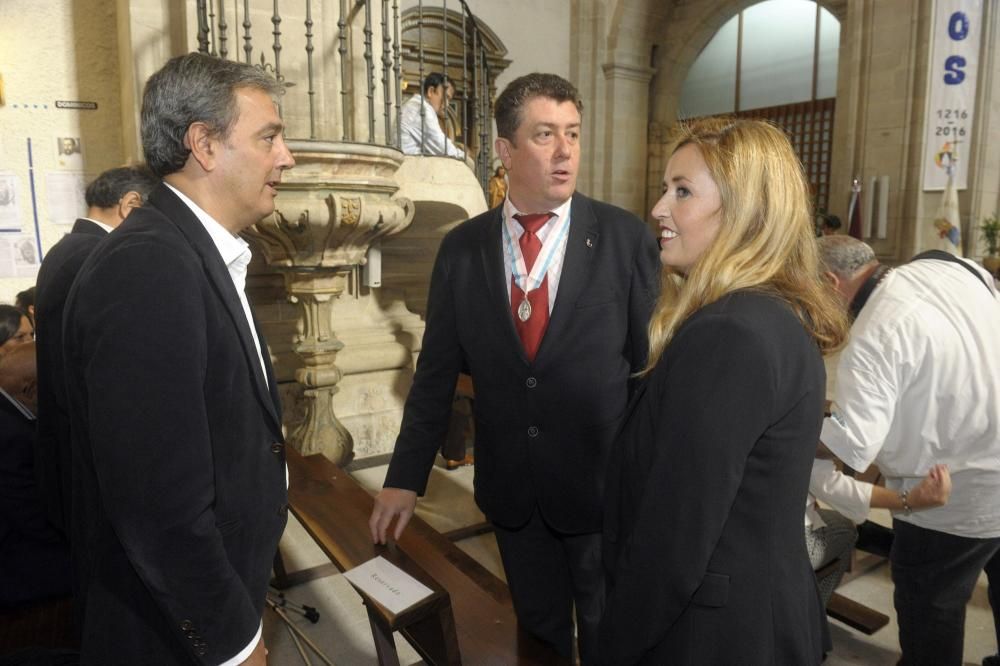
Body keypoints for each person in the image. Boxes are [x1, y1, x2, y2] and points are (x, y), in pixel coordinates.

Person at [369, 72, 659, 662]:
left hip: (601, 490)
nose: (565, 151)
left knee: (612, 635)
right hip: (513, 492)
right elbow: (436, 373)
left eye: (573, 134)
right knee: (539, 633)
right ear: (505, 150)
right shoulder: (464, 247)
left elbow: (648, 373)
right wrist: (404, 475)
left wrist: (653, 481)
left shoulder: (624, 238)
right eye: (545, 135)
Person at [62, 52, 294, 664]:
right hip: (166, 631)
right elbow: (157, 505)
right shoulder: (148, 266)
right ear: (204, 145)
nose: (286, 156)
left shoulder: (192, 252)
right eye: (269, 136)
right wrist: (234, 643)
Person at [598, 117, 849, 665]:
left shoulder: (729, 333)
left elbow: (676, 538)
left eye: (682, 191)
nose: (660, 209)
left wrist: (612, 645)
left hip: (712, 635)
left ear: (745, 212)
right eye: (666, 188)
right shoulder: (766, 315)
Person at [817, 234, 1000, 666]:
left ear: (829, 283)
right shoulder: (952, 267)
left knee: (931, 611)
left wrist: (783, 431)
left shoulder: (872, 334)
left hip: (952, 500)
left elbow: (851, 443)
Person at [34, 165, 159, 536]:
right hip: (90, 455)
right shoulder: (102, 257)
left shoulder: (68, 248)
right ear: (131, 205)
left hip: (66, 442)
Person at [806, 460, 952, 604]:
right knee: (847, 529)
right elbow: (829, 484)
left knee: (843, 522)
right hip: (793, 543)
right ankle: (812, 610)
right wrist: (908, 500)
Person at [0, 342, 73, 611]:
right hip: (12, 563)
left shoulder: (10, 418)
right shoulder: (9, 435)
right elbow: (30, 516)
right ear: (30, 388)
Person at [399, 72, 465, 158]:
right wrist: (465, 156)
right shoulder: (422, 109)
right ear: (431, 91)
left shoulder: (415, 104)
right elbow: (444, 148)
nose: (447, 104)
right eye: (446, 97)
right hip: (409, 165)